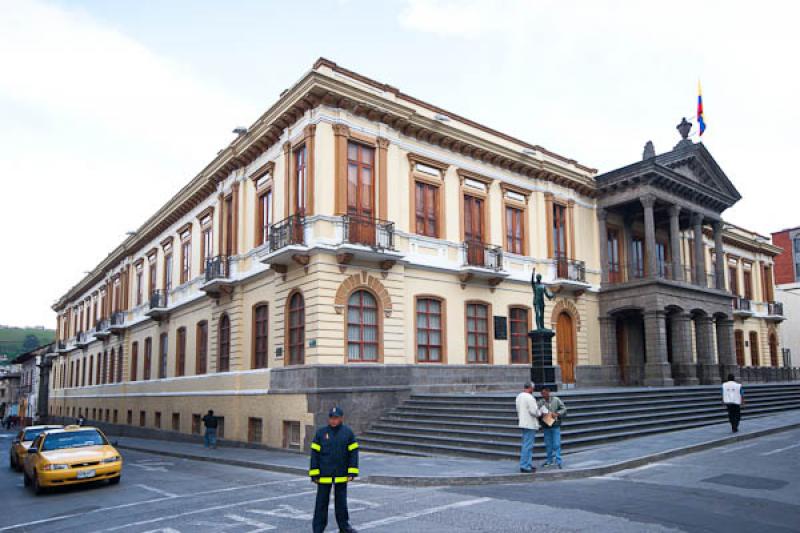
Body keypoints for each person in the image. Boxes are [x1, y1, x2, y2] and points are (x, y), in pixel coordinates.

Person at [310, 406, 359, 533]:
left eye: (336, 418)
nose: (333, 420)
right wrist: (314, 474)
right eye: (331, 418)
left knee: (341, 503)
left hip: (341, 474)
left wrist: (352, 472)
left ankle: (344, 527)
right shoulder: (321, 433)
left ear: (341, 418)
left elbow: (353, 453)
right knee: (321, 504)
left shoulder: (348, 433)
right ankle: (318, 529)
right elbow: (314, 454)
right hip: (324, 475)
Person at [516, 382, 546, 473]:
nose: (533, 390)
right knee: (528, 446)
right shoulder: (529, 397)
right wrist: (541, 412)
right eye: (533, 388)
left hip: (523, 422)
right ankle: (525, 466)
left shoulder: (519, 396)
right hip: (530, 424)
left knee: (526, 444)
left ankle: (526, 464)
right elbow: (534, 411)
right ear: (530, 388)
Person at [538, 388, 567, 468]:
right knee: (548, 444)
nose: (544, 395)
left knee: (556, 444)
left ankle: (558, 461)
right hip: (546, 426)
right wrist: (540, 414)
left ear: (549, 392)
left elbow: (564, 409)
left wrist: (557, 413)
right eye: (543, 393)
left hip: (555, 425)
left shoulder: (556, 400)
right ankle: (549, 460)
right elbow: (537, 412)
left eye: (546, 393)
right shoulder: (540, 402)